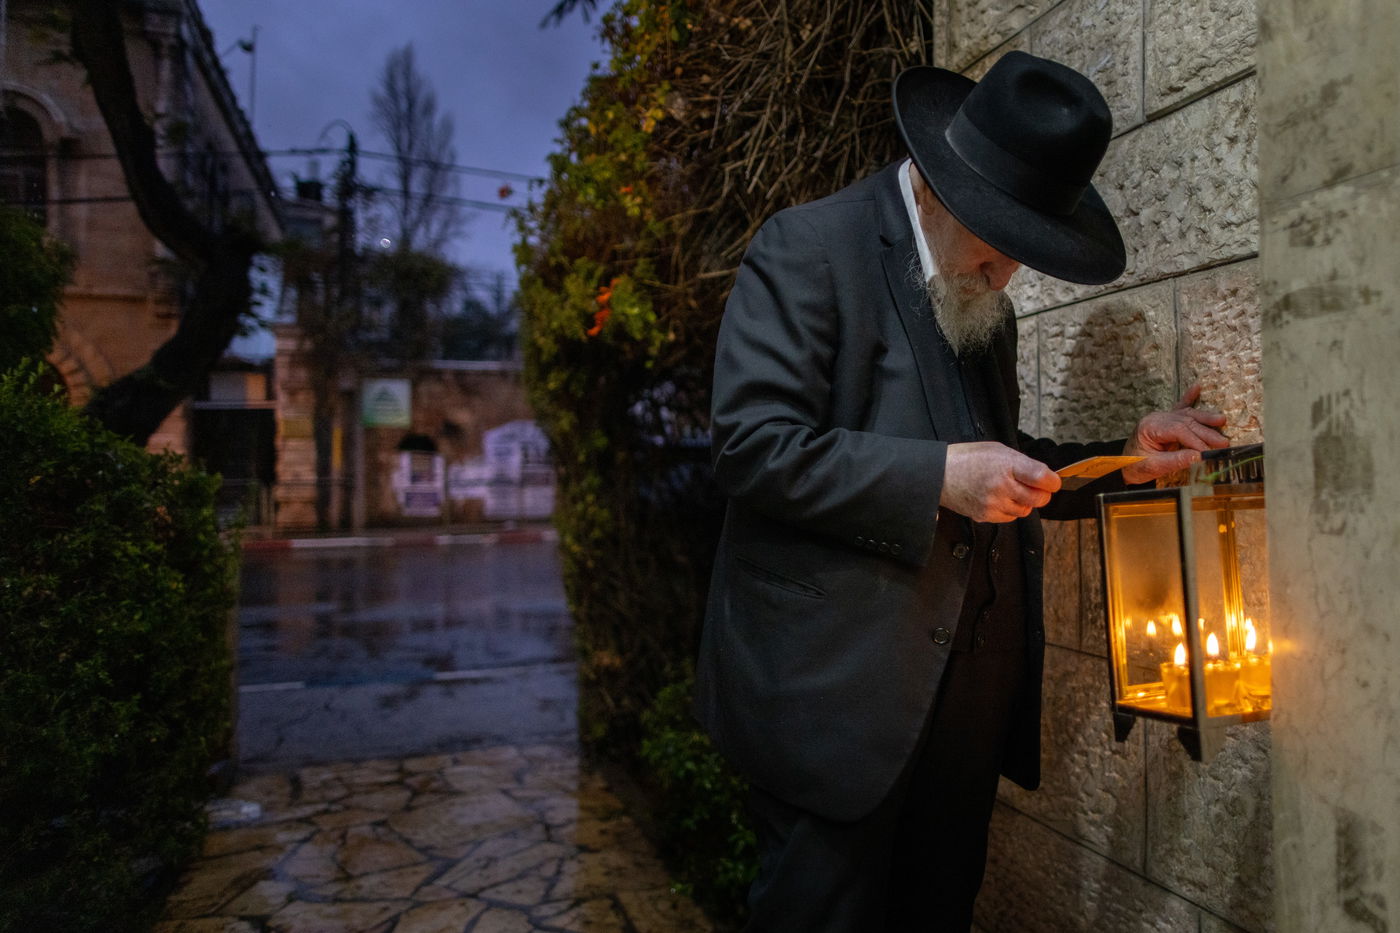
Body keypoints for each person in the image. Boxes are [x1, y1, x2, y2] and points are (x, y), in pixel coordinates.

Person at [694, 51, 1230, 932]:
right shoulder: (807, 248)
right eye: (1000, 242)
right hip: (838, 714)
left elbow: (1003, 459)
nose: (1005, 278)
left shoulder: (980, 300)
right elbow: (755, 448)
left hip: (964, 722)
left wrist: (1122, 459)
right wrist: (940, 477)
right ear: (939, 188)